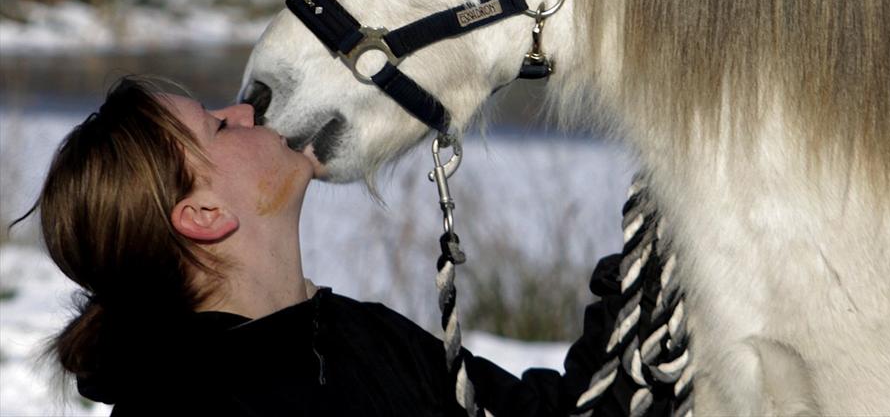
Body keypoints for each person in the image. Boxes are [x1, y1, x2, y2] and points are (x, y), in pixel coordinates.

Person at [24, 76, 633, 416]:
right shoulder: (188, 414)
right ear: (205, 214)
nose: (243, 109)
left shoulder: (360, 336)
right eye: (216, 126)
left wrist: (653, 249)